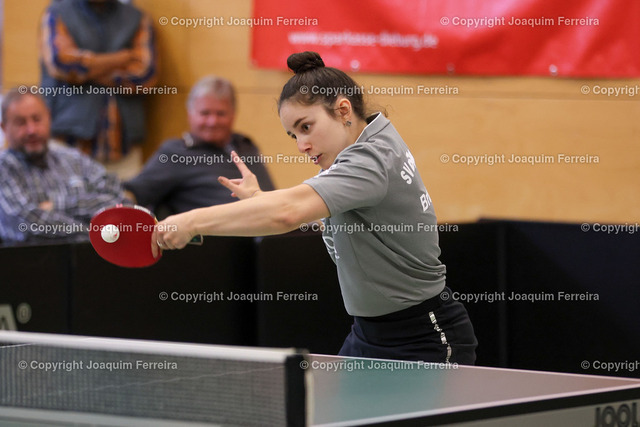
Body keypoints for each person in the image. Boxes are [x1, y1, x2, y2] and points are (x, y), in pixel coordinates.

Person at [152, 52, 477, 364]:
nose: (301, 145)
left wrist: (191, 222)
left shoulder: (370, 160)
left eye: (305, 127)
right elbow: (296, 207)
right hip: (368, 334)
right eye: (293, 135)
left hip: (422, 335)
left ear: (343, 110)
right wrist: (258, 199)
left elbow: (287, 213)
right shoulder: (361, 145)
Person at [124, 75, 275, 215]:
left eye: (221, 114)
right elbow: (132, 193)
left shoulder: (245, 145)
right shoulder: (175, 152)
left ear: (233, 114)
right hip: (210, 233)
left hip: (265, 228)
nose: (212, 122)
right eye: (205, 113)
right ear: (190, 114)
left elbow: (269, 194)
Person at [39, 0, 158, 176]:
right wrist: (120, 59)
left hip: (123, 149)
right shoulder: (58, 12)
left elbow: (144, 75)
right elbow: (62, 64)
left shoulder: (136, 17)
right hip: (68, 144)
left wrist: (86, 71)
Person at [0, 89, 129, 243]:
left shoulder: (74, 159)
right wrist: (96, 233)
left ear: (49, 117)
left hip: (94, 254)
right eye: (20, 123)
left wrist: (56, 205)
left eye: (37, 119)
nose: (31, 130)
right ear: (4, 128)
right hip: (34, 257)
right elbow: (26, 225)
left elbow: (119, 202)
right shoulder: (4, 168)